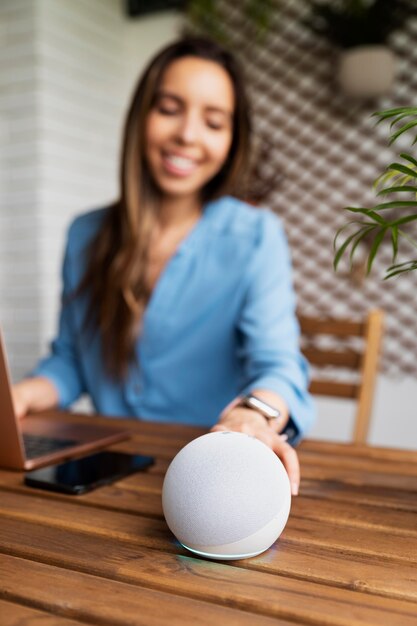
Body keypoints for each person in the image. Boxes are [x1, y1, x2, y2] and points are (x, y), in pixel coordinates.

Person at [12, 37, 315, 495]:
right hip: (108, 471)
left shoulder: (255, 235)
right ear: (141, 118)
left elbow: (278, 366)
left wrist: (249, 416)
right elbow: (71, 361)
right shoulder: (85, 235)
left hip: (210, 478)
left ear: (231, 140)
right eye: (170, 109)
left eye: (213, 122)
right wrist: (18, 396)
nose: (188, 135)